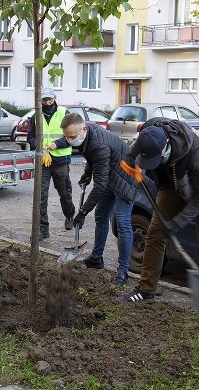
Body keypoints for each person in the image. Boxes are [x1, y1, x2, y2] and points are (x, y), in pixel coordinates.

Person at [120, 118, 199, 327]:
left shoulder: (197, 156)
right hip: (172, 183)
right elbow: (136, 147)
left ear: (166, 147)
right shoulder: (151, 130)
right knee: (155, 232)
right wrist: (129, 159)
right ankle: (146, 291)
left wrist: (178, 222)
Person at [51, 112, 138, 285]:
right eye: (66, 137)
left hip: (126, 178)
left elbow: (100, 185)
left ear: (83, 129)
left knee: (122, 222)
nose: (69, 141)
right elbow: (92, 157)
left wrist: (82, 212)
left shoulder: (98, 144)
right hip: (109, 174)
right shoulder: (86, 135)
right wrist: (87, 174)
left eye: (72, 137)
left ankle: (123, 271)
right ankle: (96, 258)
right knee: (101, 216)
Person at [27, 87, 75, 239]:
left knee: (65, 194)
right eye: (44, 100)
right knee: (41, 196)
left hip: (61, 161)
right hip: (43, 161)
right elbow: (30, 137)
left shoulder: (64, 113)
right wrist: (37, 144)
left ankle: (69, 216)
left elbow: (72, 136)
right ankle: (43, 230)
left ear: (55, 98)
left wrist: (57, 144)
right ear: (40, 100)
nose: (47, 102)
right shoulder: (36, 115)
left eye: (50, 99)